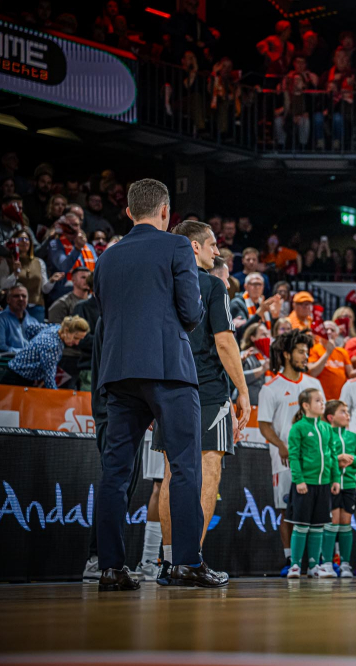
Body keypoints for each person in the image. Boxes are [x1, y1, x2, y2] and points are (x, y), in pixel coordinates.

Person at [93, 179, 223, 590]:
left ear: (129, 212)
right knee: (185, 466)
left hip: (118, 372)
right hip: (169, 369)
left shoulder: (106, 258)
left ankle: (111, 568)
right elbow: (190, 311)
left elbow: (105, 317)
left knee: (115, 473)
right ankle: (186, 561)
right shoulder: (177, 246)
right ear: (165, 212)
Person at [154, 220, 251, 585]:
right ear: (194, 247)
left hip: (166, 385)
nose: (217, 252)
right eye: (212, 246)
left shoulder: (162, 283)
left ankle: (167, 561)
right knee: (208, 471)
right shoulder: (212, 284)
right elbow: (225, 343)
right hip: (207, 389)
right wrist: (242, 391)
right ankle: (190, 561)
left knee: (171, 473)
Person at [257, 329, 326, 575]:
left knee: (317, 511)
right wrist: (281, 445)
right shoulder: (271, 387)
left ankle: (316, 562)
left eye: (306, 352)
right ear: (287, 355)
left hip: (316, 463)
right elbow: (264, 425)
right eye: (300, 352)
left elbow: (322, 420)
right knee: (289, 510)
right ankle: (291, 561)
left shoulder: (314, 384)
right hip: (284, 461)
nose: (305, 356)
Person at [285, 387, 342, 578]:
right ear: (306, 405)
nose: (322, 403)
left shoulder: (327, 428)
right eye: (318, 400)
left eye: (323, 400)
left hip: (324, 485)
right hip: (304, 485)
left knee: (318, 525)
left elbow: (333, 455)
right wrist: (299, 480)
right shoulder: (298, 428)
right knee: (301, 525)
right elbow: (293, 456)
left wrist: (335, 479)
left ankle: (313, 566)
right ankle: (294, 565)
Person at [325, 399, 356, 577]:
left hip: (349, 485)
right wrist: (337, 459)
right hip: (330, 485)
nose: (347, 415)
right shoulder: (326, 434)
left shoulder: (353, 437)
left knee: (345, 522)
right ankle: (327, 563)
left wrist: (352, 459)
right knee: (332, 522)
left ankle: (345, 564)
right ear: (330, 417)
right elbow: (323, 459)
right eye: (343, 412)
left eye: (348, 412)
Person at [3, 315, 88, 388]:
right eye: (75, 338)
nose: (77, 343)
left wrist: (32, 349)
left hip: (18, 372)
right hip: (16, 379)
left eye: (80, 340)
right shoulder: (53, 346)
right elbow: (49, 380)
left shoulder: (56, 327)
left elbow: (30, 328)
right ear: (66, 330)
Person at [0, 230, 59, 322]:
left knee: (36, 336)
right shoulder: (7, 262)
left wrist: (51, 281)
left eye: (27, 239)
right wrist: (15, 274)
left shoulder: (39, 262)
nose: (24, 241)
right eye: (21, 239)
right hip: (15, 308)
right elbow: (3, 285)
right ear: (14, 242)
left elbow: (44, 289)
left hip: (37, 308)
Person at [0, 284, 41, 354]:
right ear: (8, 300)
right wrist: (24, 353)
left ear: (27, 300)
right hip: (7, 362)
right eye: (16, 296)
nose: (21, 299)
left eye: (24, 296)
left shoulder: (34, 322)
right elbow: (1, 347)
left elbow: (38, 346)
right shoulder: (1, 319)